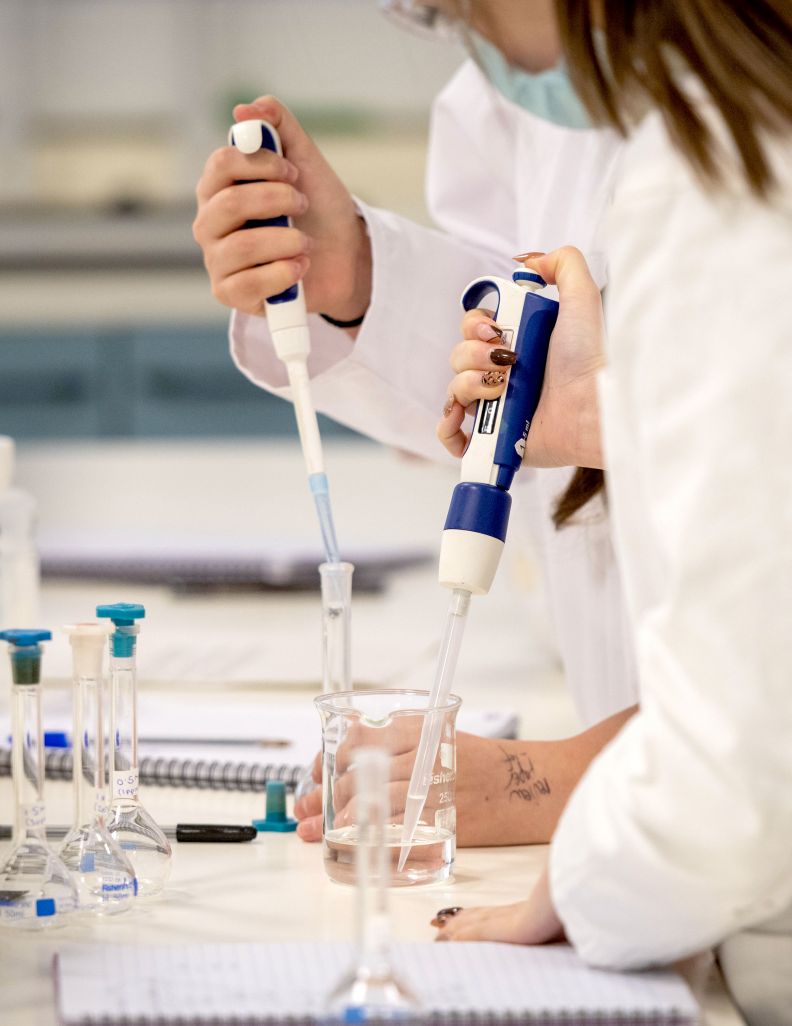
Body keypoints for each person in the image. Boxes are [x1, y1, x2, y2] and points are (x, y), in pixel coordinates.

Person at [193, 0, 639, 846]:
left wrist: (554, 780)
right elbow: (518, 340)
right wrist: (357, 278)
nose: (466, 31)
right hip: (648, 801)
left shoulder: (740, 132)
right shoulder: (526, 79)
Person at [432, 3, 792, 1024]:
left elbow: (735, 781)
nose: (462, 23)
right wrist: (612, 409)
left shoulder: (720, 169)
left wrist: (582, 874)